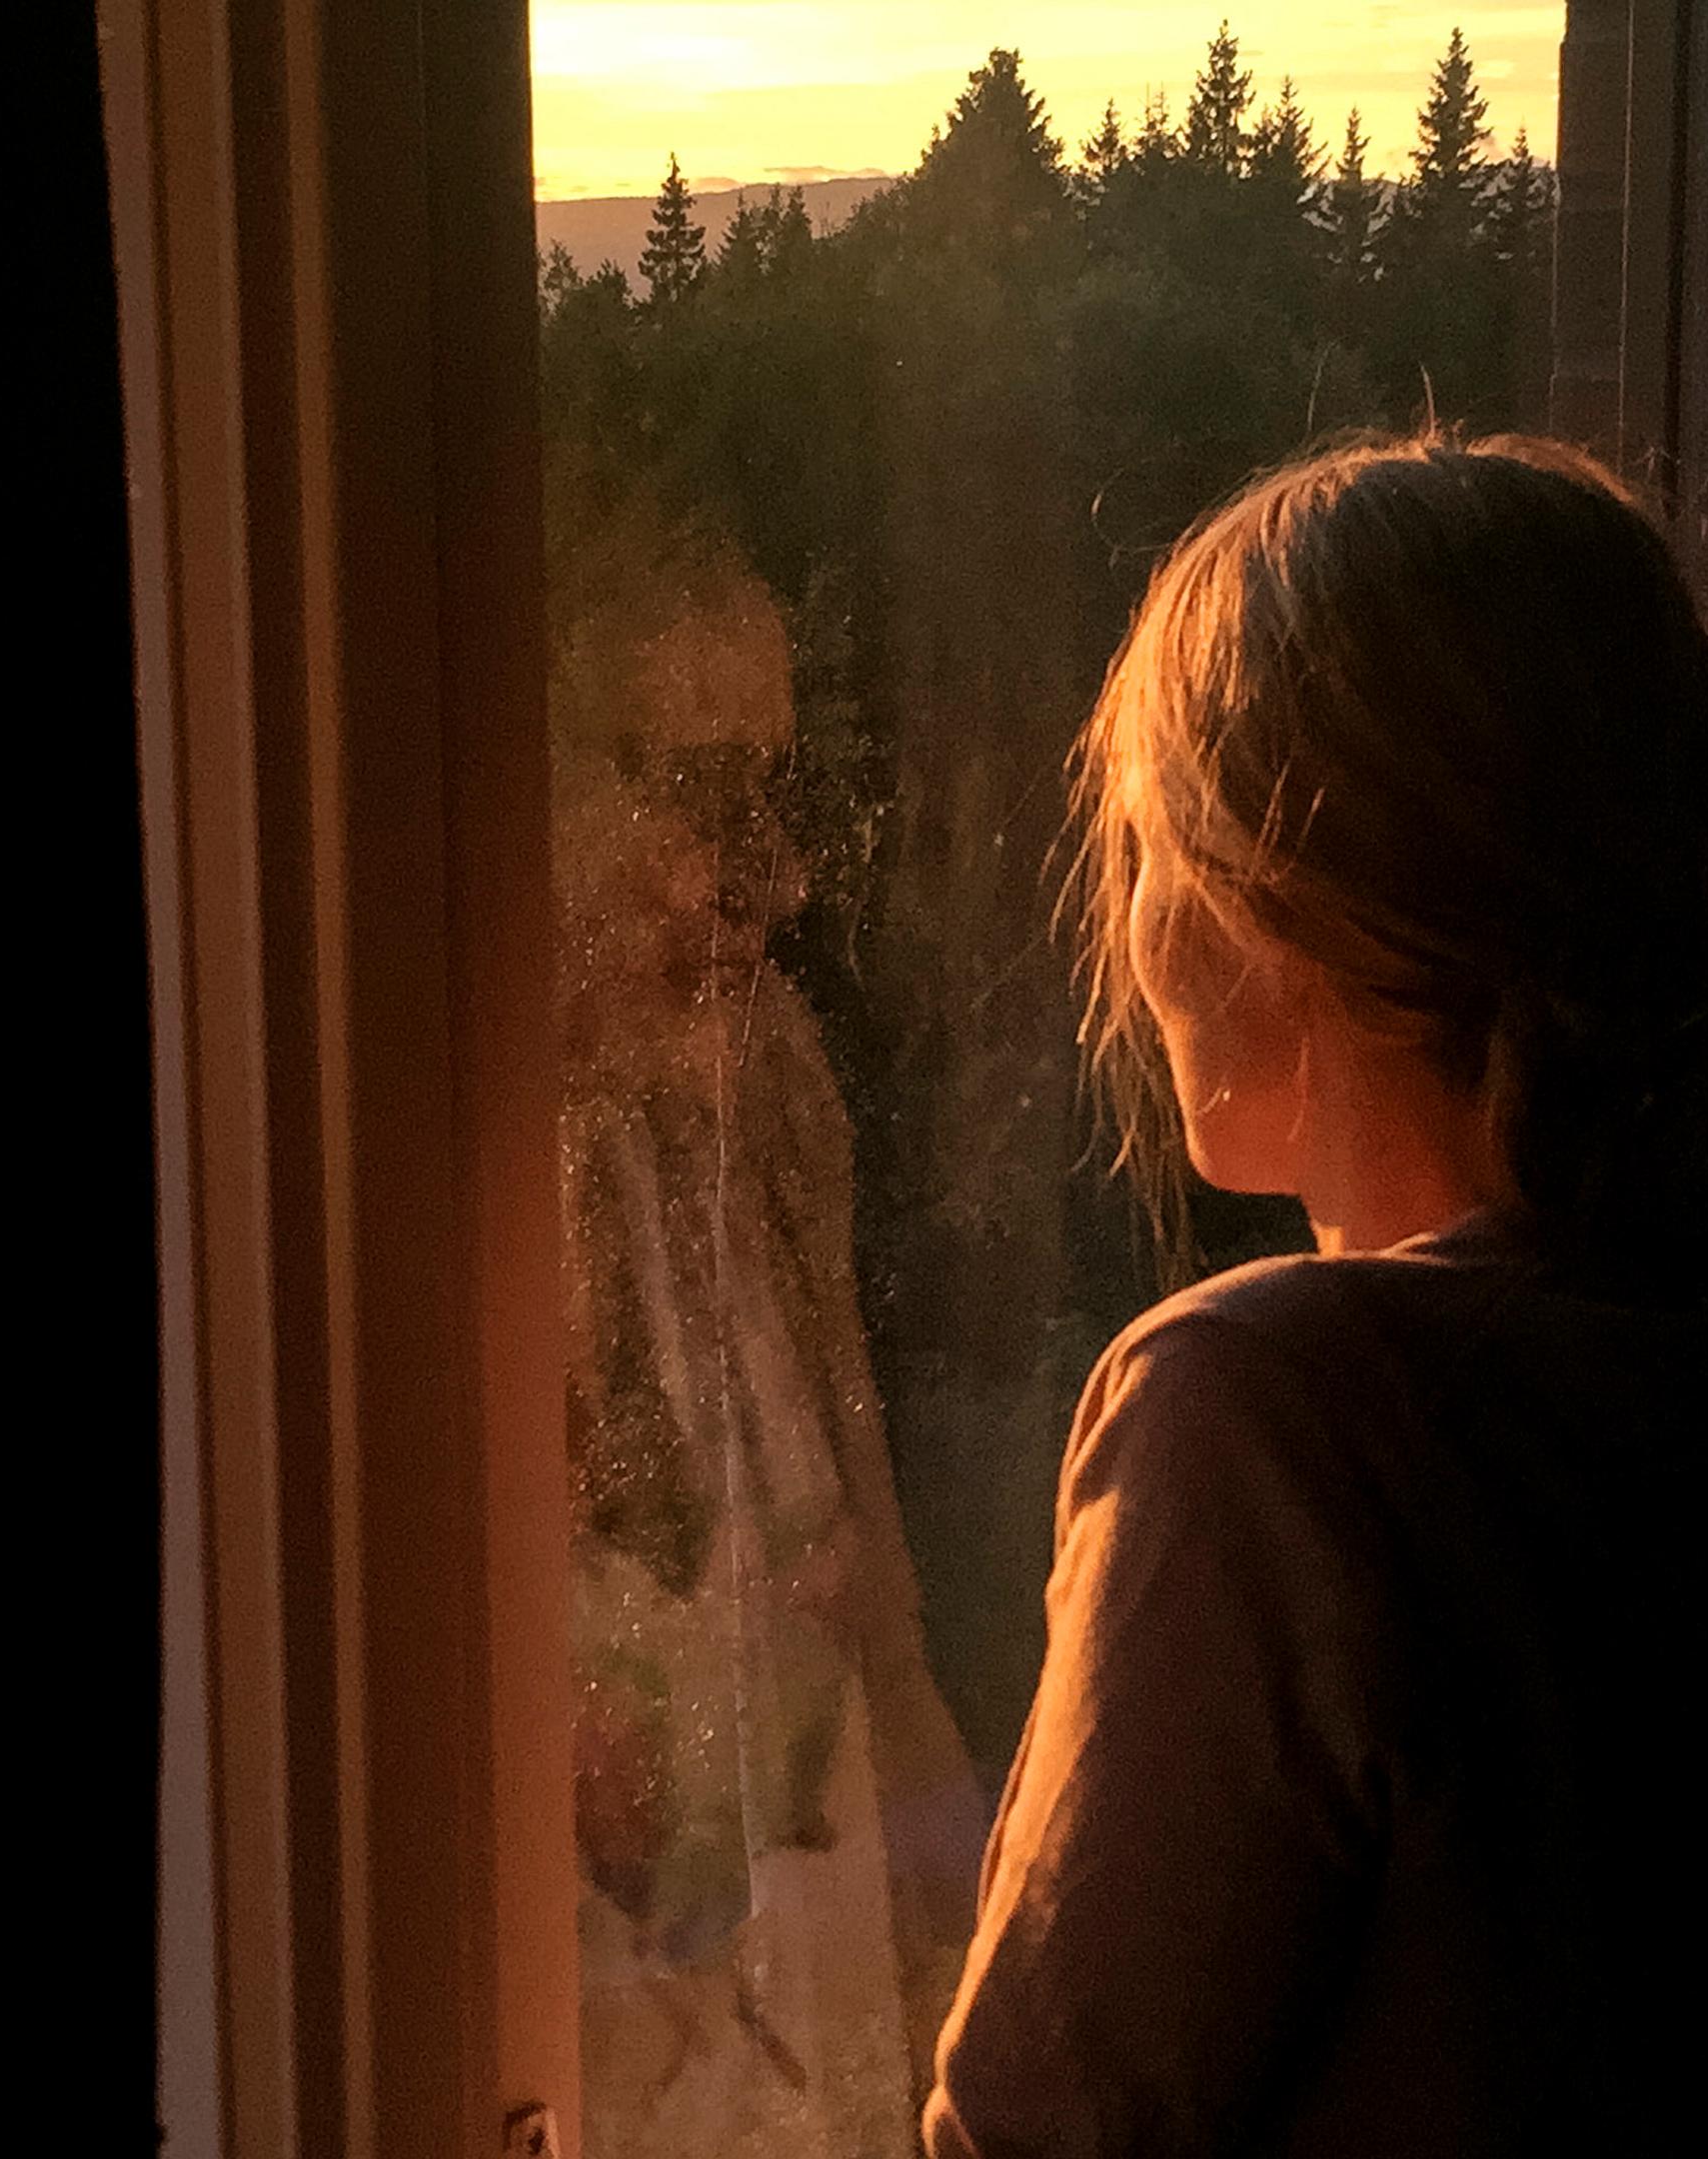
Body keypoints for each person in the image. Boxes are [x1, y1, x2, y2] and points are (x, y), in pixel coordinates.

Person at [923, 432, 1708, 2157]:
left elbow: (1036, 2134)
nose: (1135, 924)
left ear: (1286, 909)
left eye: (1160, 841)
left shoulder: (1265, 1417)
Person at [548, 486, 988, 2156]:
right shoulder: (428, 1200)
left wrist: (963, 1962)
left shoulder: (774, 1093)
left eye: (777, 792)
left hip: (810, 2015)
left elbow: (878, 1612)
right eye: (690, 795)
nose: (779, 878)